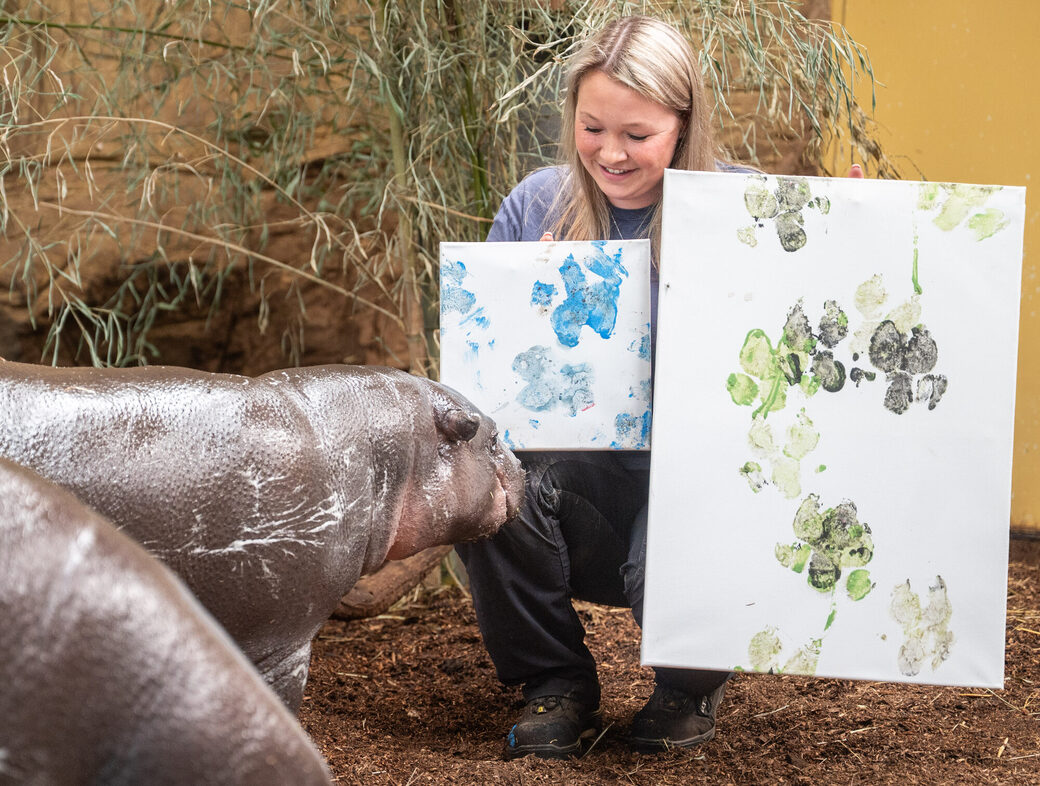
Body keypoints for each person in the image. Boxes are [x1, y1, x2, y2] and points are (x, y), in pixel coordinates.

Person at [455, 14, 859, 760]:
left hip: (704, 490)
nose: (610, 152)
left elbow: (810, 375)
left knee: (694, 518)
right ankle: (556, 681)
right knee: (492, 485)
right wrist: (526, 308)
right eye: (592, 127)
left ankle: (687, 683)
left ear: (682, 125)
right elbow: (487, 400)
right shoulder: (535, 206)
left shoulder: (747, 213)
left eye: (636, 135)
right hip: (585, 493)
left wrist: (846, 246)